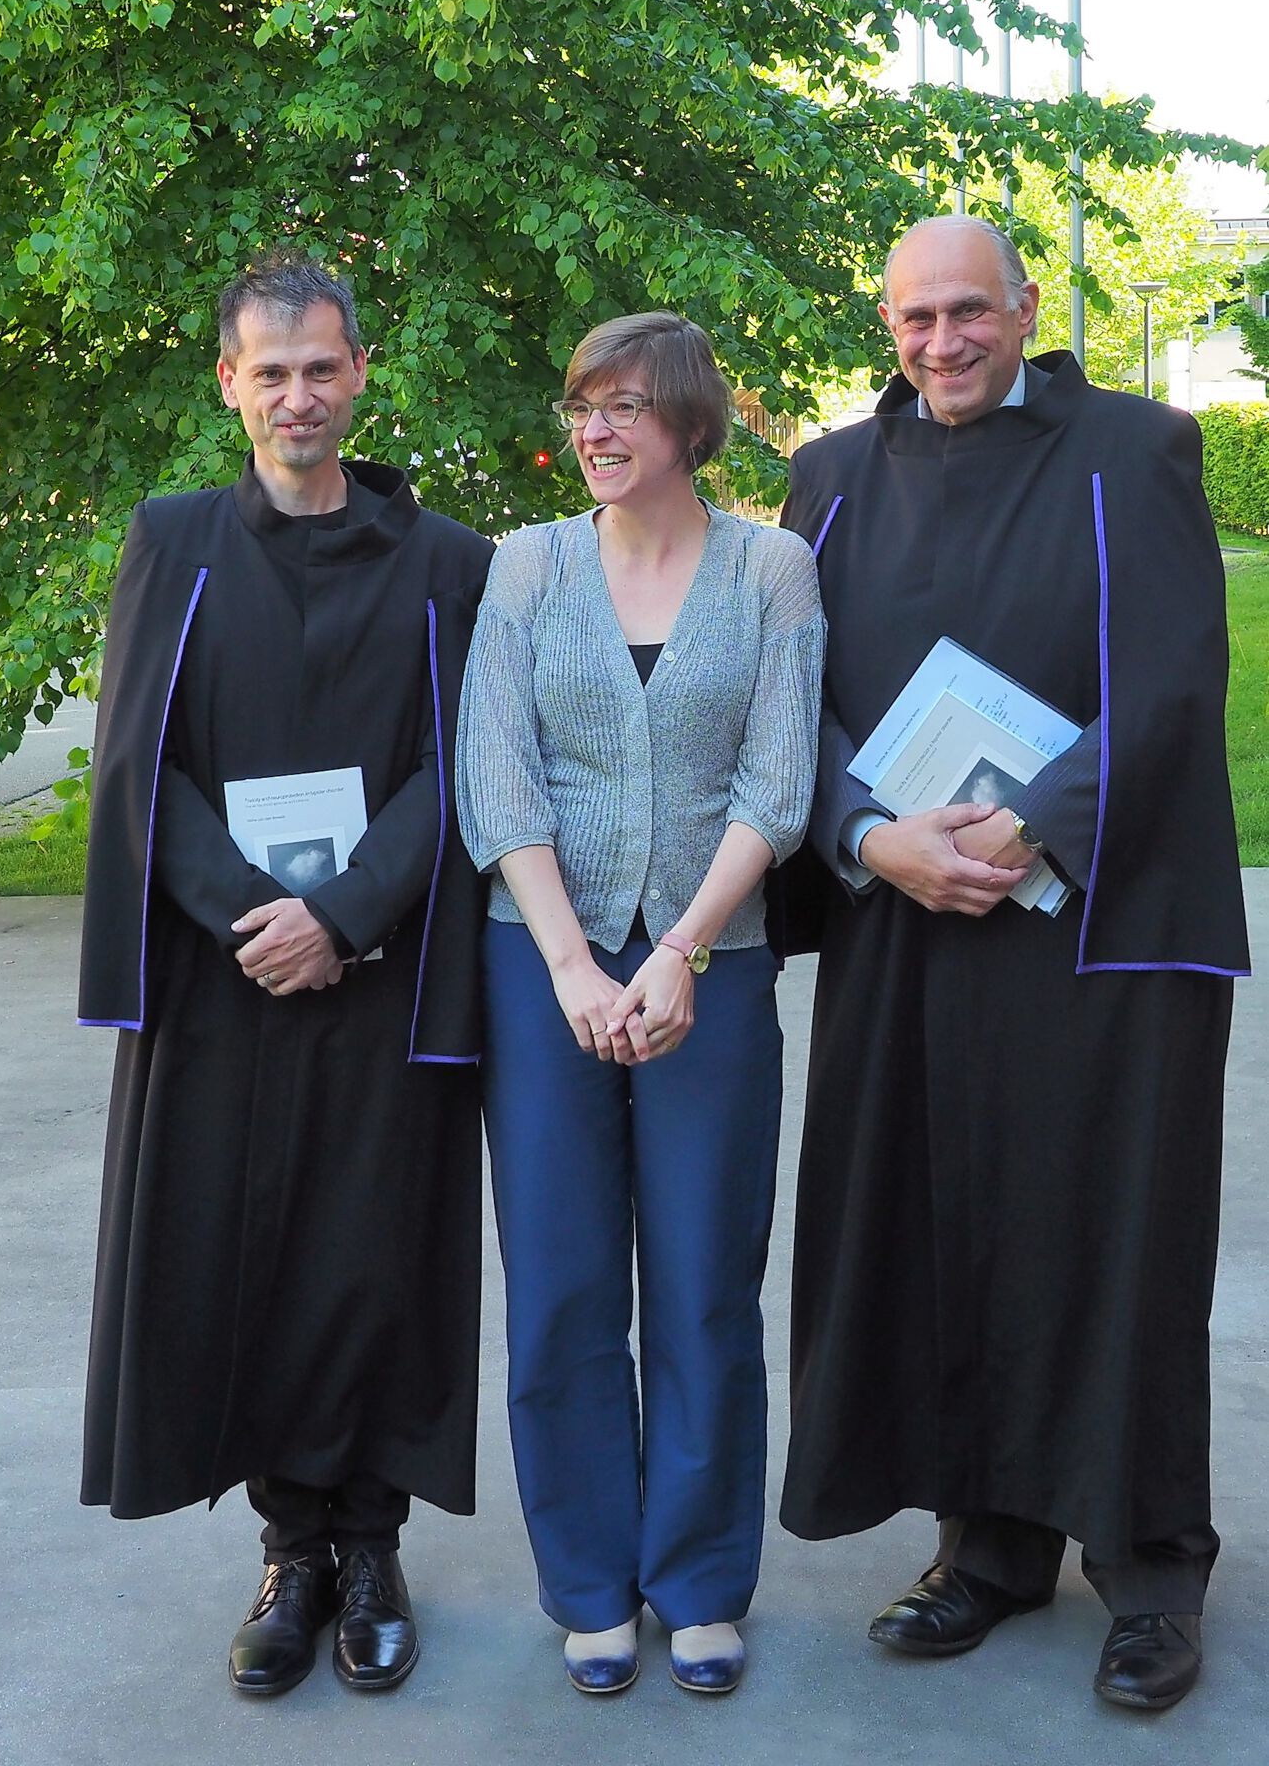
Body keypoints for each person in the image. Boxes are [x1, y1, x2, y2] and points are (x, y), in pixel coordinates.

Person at [775, 215, 1248, 1712]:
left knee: (1109, 1236)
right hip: (907, 918)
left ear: (1025, 307)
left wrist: (1034, 832)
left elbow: (1172, 671)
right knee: (944, 1229)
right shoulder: (832, 481)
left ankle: (1149, 1564)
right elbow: (795, 707)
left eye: (966, 312)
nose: (938, 342)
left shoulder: (1135, 448)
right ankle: (985, 1546)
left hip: (1096, 921)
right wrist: (866, 835)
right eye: (912, 318)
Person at [78, 249, 494, 1699]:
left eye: (324, 368)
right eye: (272, 373)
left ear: (362, 372)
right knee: (243, 1248)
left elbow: (464, 770)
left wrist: (351, 912)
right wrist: (257, 915)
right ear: (228, 385)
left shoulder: (453, 564)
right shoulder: (174, 541)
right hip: (225, 976)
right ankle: (287, 1556)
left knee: (371, 1256)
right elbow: (141, 762)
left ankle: (370, 1546)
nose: (299, 396)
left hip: (384, 976)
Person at [457, 312, 823, 1696]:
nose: (597, 432)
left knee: (701, 1289)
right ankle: (591, 1585)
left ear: (689, 424)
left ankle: (699, 1578)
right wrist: (568, 964)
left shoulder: (772, 570)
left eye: (625, 408)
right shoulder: (525, 567)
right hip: (536, 957)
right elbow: (499, 780)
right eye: (583, 408)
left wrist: (678, 950)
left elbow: (775, 786)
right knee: (557, 1289)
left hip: (709, 970)